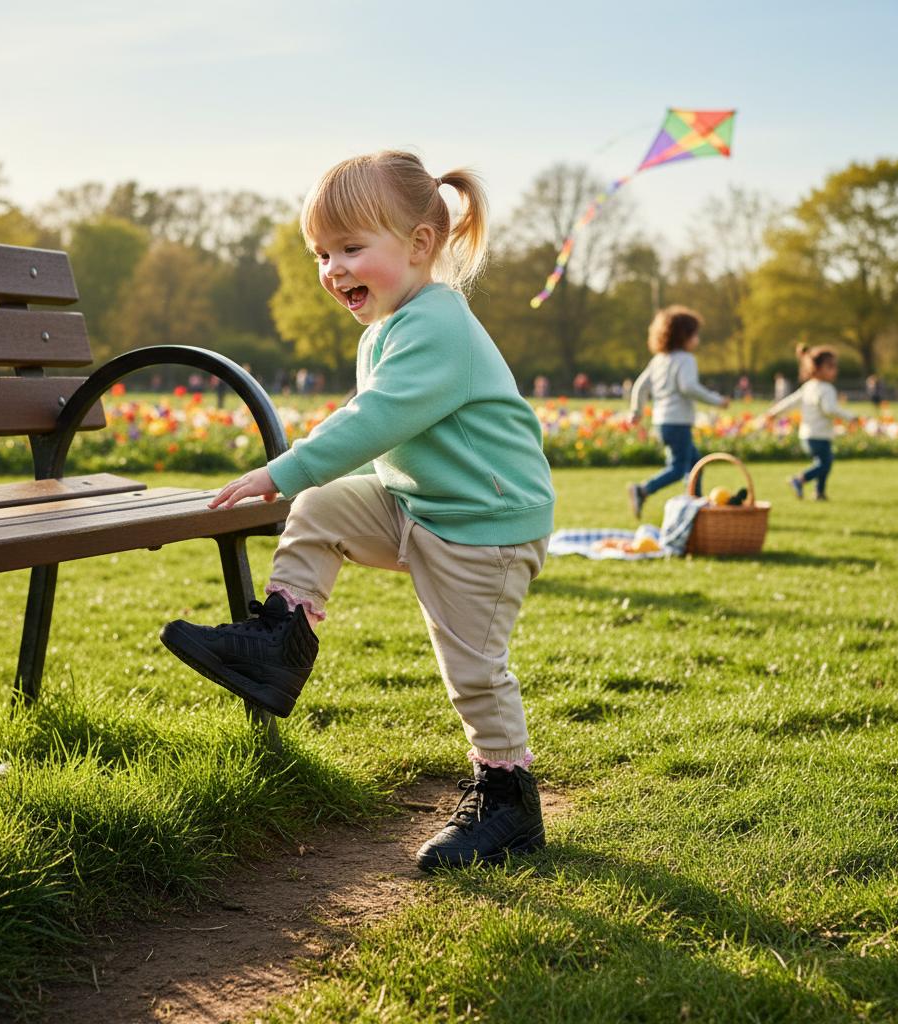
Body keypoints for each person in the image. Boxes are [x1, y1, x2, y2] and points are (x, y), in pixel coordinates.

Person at [160, 151, 556, 871]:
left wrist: (281, 470)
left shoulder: (436, 323)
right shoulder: (390, 327)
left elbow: (377, 418)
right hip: (419, 506)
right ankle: (281, 642)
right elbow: (377, 426)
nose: (334, 268)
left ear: (419, 246)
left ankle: (508, 799)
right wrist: (301, 481)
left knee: (472, 669)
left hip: (482, 528)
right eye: (322, 253)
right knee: (323, 507)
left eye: (351, 248)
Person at [625, 306, 729, 519]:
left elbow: (640, 386)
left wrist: (636, 411)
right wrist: (717, 400)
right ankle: (643, 490)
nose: (697, 339)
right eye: (695, 334)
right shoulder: (685, 359)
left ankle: (695, 504)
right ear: (685, 336)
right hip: (678, 422)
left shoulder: (659, 359)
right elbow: (688, 386)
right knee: (679, 468)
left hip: (662, 422)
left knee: (695, 464)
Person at [767, 344, 853, 501]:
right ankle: (799, 479)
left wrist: (774, 413)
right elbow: (829, 409)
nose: (835, 370)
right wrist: (851, 417)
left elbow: (790, 402)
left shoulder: (808, 387)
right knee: (825, 464)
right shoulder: (826, 389)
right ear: (818, 369)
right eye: (831, 367)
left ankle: (819, 493)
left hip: (806, 436)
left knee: (822, 463)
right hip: (819, 435)